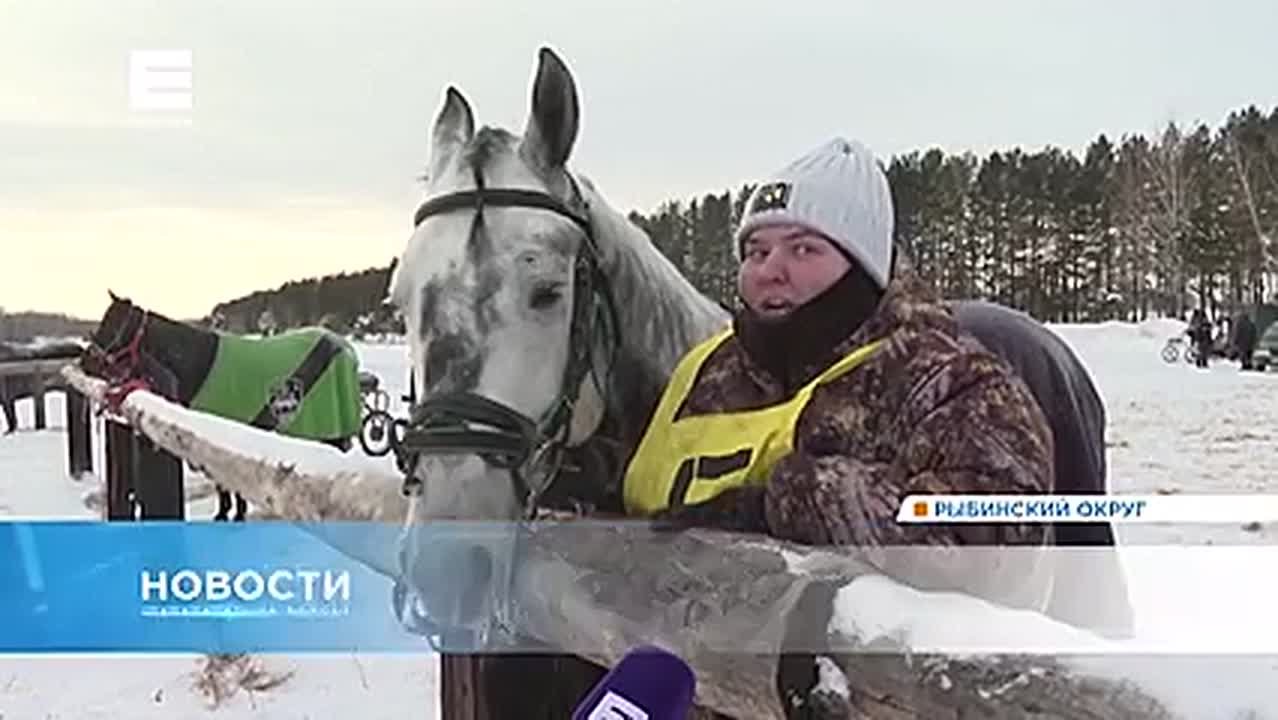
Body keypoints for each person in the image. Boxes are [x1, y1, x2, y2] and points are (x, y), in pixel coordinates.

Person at [623, 137, 1058, 616]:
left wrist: (787, 501)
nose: (770, 270)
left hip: (855, 686)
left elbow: (994, 548)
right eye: (755, 250)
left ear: (862, 267)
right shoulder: (706, 369)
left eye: (804, 249)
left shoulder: (955, 383)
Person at [949, 299, 1134, 638]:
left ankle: (1092, 639)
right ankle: (1102, 631)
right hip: (1054, 368)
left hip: (1030, 372)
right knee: (1081, 523)